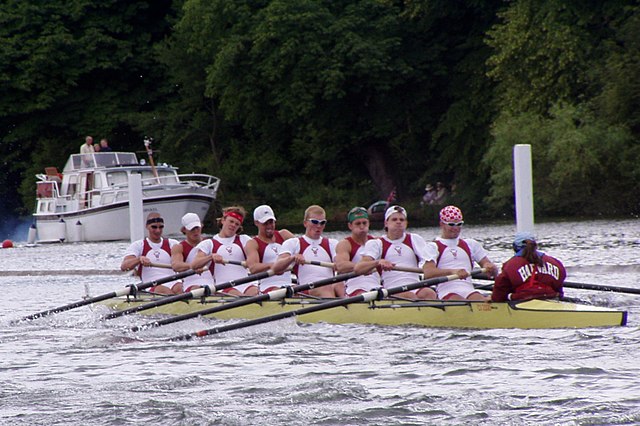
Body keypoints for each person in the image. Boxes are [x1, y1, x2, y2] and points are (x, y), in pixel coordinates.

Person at [355, 205, 437, 300]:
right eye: (394, 219)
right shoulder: (377, 243)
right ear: (386, 223)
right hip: (392, 290)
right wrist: (378, 262)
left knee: (429, 293)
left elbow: (430, 264)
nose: (398, 222)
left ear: (406, 223)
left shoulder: (415, 239)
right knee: (410, 296)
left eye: (402, 220)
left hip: (415, 286)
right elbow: (358, 269)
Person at [422, 205, 498, 300]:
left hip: (469, 290)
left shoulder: (471, 244)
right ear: (442, 224)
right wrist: (453, 271)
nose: (456, 228)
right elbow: (428, 273)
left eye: (459, 224)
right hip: (447, 292)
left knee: (480, 300)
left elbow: (488, 267)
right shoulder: (433, 247)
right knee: (458, 300)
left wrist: (489, 267)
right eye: (451, 224)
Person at [273, 205, 342, 298]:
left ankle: (353, 308)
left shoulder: (333, 244)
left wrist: (341, 264)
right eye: (314, 222)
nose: (318, 226)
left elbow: (342, 263)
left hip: (329, 287)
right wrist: (292, 258)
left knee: (340, 284)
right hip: (306, 290)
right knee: (325, 287)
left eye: (322, 223)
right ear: (305, 223)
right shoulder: (293, 243)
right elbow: (276, 269)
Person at [191, 206, 257, 296]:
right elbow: (194, 265)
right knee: (240, 296)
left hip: (246, 284)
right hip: (224, 287)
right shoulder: (208, 243)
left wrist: (252, 260)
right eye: (231, 221)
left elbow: (254, 256)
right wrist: (210, 257)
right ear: (223, 221)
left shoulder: (244, 239)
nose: (233, 225)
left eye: (237, 224)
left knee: (256, 293)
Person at [492, 231, 566, 302]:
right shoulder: (556, 263)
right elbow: (560, 289)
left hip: (522, 302)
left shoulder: (509, 265)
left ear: (514, 247)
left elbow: (499, 293)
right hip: (552, 299)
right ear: (535, 245)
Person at [120, 212, 181, 295]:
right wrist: (139, 259)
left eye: (161, 227)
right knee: (164, 291)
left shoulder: (173, 243)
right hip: (151, 284)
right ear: (147, 226)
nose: (158, 230)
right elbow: (124, 267)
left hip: (173, 282)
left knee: (180, 289)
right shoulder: (138, 245)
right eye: (154, 227)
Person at [244, 205, 295, 293]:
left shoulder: (285, 235)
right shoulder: (253, 243)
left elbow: (303, 249)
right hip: (267, 287)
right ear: (256, 223)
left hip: (289, 285)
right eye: (265, 223)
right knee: (283, 292)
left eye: (271, 222)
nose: (269, 226)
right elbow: (253, 268)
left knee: (310, 291)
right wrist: (272, 265)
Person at [335, 207, 381, 296]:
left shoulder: (378, 242)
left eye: (364, 223)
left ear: (369, 223)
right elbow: (341, 266)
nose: (362, 226)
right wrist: (364, 267)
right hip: (355, 287)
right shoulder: (345, 244)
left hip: (377, 286)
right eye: (358, 223)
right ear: (350, 226)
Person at [171, 213, 213, 292]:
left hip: (212, 284)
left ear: (201, 225)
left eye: (197, 228)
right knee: (200, 290)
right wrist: (193, 266)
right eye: (192, 229)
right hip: (191, 285)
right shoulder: (179, 247)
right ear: (184, 229)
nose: (196, 231)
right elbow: (176, 266)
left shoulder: (211, 243)